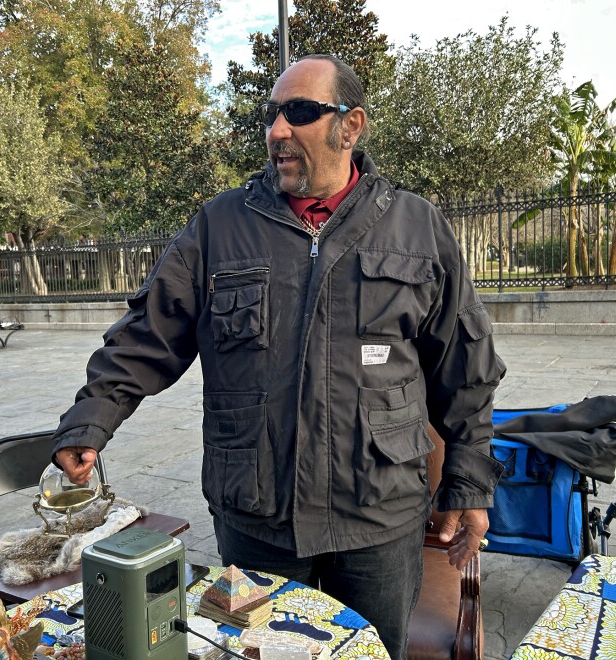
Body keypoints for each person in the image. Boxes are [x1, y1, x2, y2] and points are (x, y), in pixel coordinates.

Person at [52, 54, 505, 658]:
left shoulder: (415, 227)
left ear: (351, 125)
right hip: (258, 517)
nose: (277, 131)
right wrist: (91, 419)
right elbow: (148, 333)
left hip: (376, 517)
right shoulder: (220, 226)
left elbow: (464, 368)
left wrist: (469, 482)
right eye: (271, 115)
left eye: (299, 112)